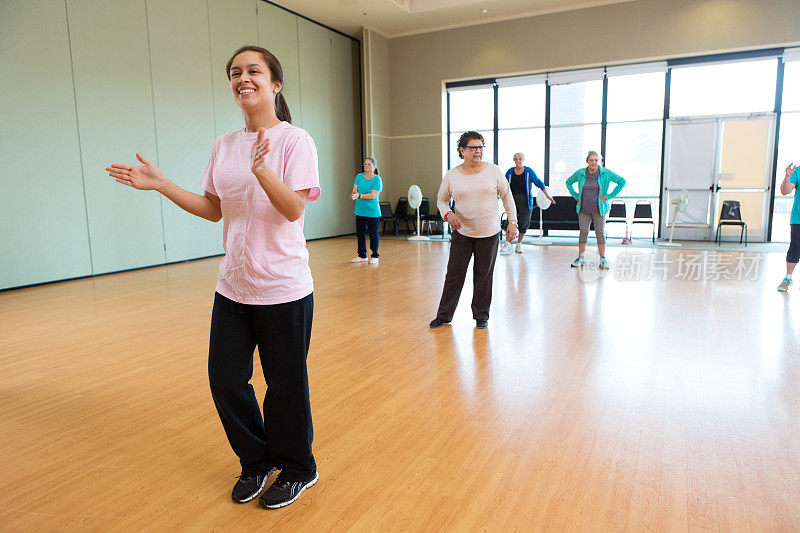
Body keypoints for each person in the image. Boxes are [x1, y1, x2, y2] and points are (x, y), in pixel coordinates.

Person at [106, 45, 319, 509]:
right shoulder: (223, 145)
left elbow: (294, 209)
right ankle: (257, 460)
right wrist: (162, 185)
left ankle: (299, 467)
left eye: (254, 71)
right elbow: (212, 209)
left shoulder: (295, 141)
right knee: (225, 380)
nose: (243, 78)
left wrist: (264, 172)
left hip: (283, 288)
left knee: (285, 385)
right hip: (234, 286)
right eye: (235, 72)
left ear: (275, 84)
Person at [429, 131, 517, 329]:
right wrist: (448, 214)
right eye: (473, 148)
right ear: (462, 150)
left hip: (489, 233)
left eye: (480, 147)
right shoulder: (452, 175)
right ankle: (444, 315)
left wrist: (513, 222)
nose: (478, 151)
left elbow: (507, 197)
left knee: (483, 275)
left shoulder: (493, 171)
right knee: (454, 275)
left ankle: (481, 315)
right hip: (462, 233)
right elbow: (441, 200)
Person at [565, 151, 625, 270]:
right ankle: (581, 258)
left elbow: (622, 181)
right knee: (583, 232)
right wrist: (575, 195)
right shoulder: (580, 173)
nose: (594, 163)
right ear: (587, 161)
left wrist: (609, 196)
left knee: (600, 232)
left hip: (599, 209)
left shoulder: (605, 173)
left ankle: (602, 259)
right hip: (584, 209)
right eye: (591, 160)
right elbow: (568, 182)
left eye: (596, 160)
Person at [503, 152, 555, 253]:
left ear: (523, 160)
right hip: (512, 201)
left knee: (523, 224)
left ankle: (519, 244)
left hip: (525, 202)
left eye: (520, 159)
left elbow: (538, 182)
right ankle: (507, 244)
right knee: (509, 223)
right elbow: (503, 185)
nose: (518, 161)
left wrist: (547, 195)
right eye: (516, 159)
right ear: (514, 160)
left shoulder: (528, 171)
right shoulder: (509, 172)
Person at [349, 157, 383, 264]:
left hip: (373, 212)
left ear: (374, 167)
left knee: (373, 234)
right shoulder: (359, 177)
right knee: (360, 233)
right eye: (365, 164)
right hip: (360, 210)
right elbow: (355, 189)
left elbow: (373, 195)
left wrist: (359, 196)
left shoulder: (377, 179)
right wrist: (354, 194)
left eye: (369, 164)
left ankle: (374, 255)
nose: (366, 166)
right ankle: (362, 255)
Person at [778, 162, 799, 292]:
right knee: (795, 246)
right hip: (798, 218)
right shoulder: (798, 171)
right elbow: (785, 191)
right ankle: (788, 278)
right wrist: (787, 177)